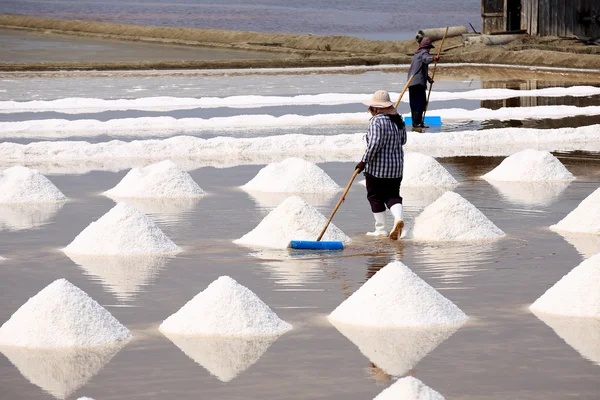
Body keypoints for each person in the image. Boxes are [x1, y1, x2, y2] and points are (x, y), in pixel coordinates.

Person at [355, 90, 407, 240]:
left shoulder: (377, 121)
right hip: (396, 168)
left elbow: (375, 144)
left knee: (375, 196)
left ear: (377, 109)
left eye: (371, 108)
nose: (370, 111)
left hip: (377, 169)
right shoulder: (398, 120)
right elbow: (403, 141)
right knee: (392, 195)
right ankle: (398, 219)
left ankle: (381, 230)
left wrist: (363, 161)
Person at [407, 37, 440, 129]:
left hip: (412, 82)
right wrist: (433, 58)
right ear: (426, 47)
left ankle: (416, 123)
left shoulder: (417, 54)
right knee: (419, 103)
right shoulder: (423, 52)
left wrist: (428, 78)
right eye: (429, 48)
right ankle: (418, 123)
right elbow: (426, 59)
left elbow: (419, 69)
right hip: (418, 83)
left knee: (414, 103)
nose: (429, 50)